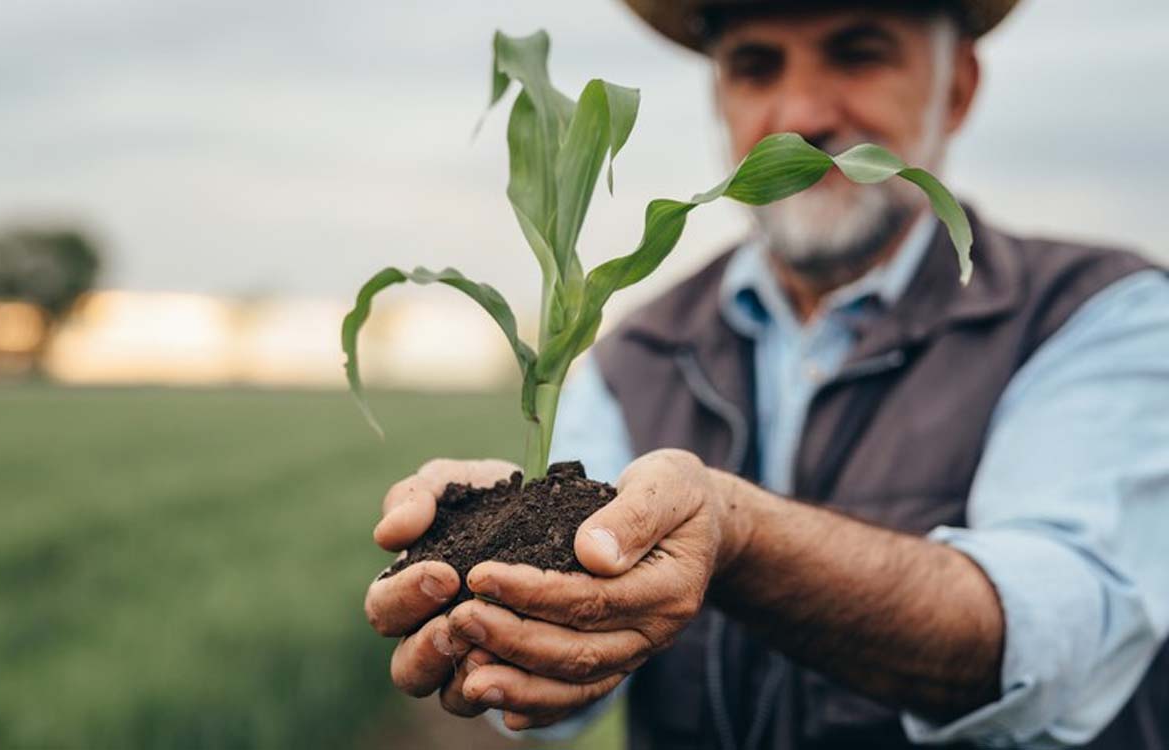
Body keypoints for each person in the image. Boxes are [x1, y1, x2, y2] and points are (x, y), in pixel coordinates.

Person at [365, 1, 1169, 746]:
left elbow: (1065, 637)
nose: (801, 116)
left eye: (857, 55)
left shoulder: (1096, 314)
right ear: (720, 97)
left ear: (956, 88)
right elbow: (567, 694)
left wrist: (738, 534)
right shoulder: (636, 355)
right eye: (755, 67)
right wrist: (501, 601)